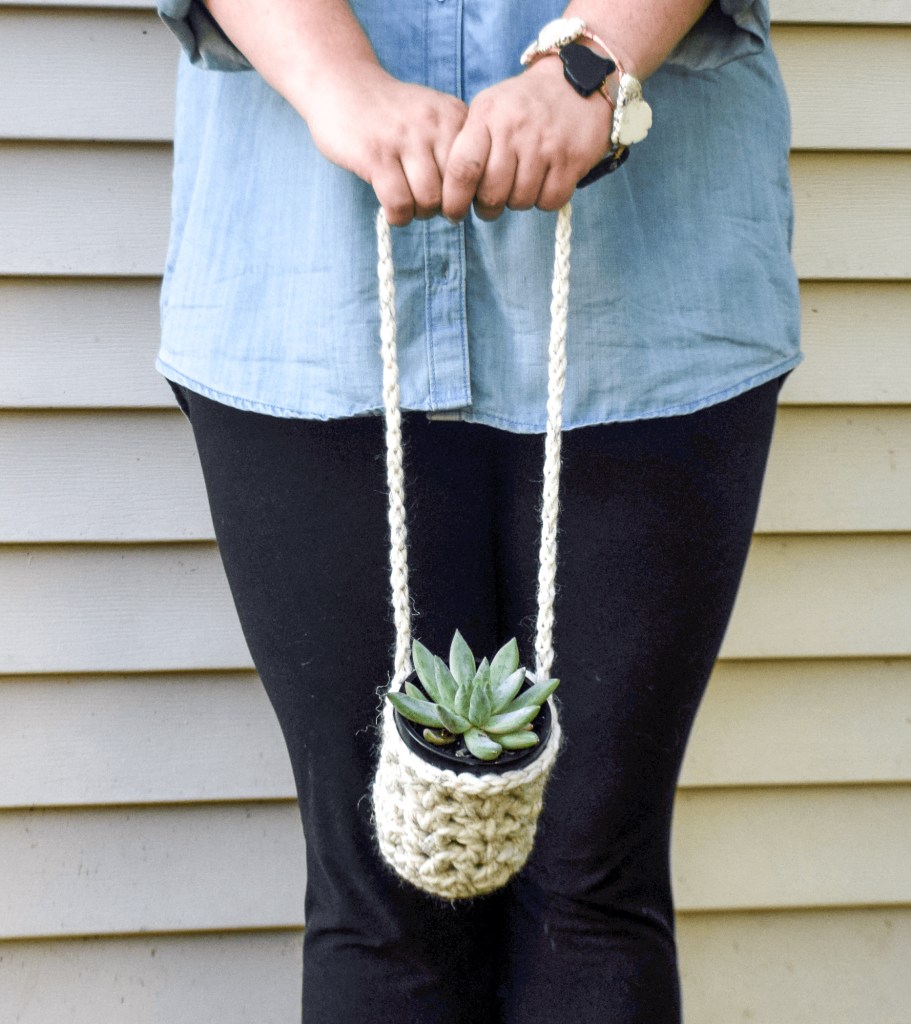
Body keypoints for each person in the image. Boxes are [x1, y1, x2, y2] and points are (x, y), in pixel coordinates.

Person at [154, 0, 802, 1021]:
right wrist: (336, 80)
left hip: (646, 290)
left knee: (594, 882)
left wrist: (591, 63)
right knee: (382, 895)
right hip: (311, 289)